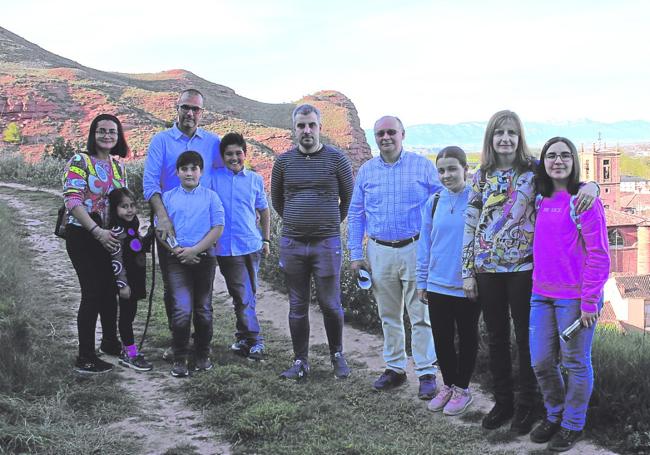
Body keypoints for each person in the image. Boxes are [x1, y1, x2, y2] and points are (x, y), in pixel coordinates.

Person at [462, 110, 599, 434]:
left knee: (527, 340)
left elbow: (567, 176)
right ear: (491, 139)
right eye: (499, 133)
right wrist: (466, 271)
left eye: (511, 132)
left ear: (519, 137)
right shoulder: (481, 175)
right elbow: (470, 224)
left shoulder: (533, 170)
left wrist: (592, 185)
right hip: (487, 268)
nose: (505, 138)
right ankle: (504, 402)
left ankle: (527, 406)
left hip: (525, 269)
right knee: (496, 337)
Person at [348, 115, 440, 400]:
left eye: (391, 132)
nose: (385, 137)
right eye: (380, 134)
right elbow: (356, 213)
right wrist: (355, 253)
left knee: (420, 314)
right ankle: (395, 369)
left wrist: (436, 246)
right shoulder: (366, 171)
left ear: (403, 134)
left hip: (416, 248)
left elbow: (441, 203)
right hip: (379, 251)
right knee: (389, 314)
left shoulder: (422, 166)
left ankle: (426, 372)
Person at [528, 137, 609, 452]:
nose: (557, 161)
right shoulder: (540, 198)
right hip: (540, 294)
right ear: (544, 162)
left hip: (576, 299)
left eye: (564, 155)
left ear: (574, 160)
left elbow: (599, 255)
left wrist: (590, 300)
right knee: (541, 362)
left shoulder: (585, 202)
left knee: (575, 362)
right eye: (551, 156)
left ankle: (573, 424)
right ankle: (555, 414)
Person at [271, 103, 354, 380]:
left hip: (326, 243)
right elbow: (278, 201)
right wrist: (297, 221)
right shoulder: (283, 162)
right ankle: (300, 361)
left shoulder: (337, 159)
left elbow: (348, 198)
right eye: (301, 126)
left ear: (320, 127)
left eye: (311, 125)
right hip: (293, 243)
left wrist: (327, 223)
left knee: (330, 304)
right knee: (297, 305)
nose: (306, 130)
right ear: (294, 129)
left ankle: (337, 356)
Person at [142, 88, 223, 354]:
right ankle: (179, 340)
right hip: (170, 229)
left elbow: (230, 171)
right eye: (185, 107)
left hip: (203, 231)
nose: (190, 113)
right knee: (173, 290)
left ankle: (201, 346)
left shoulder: (212, 143)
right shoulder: (161, 141)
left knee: (202, 295)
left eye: (195, 109)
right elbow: (150, 183)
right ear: (176, 109)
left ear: (202, 113)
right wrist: (162, 218)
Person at [63, 113, 128, 374]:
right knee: (91, 293)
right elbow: (72, 200)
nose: (107, 135)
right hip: (82, 235)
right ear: (93, 134)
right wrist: (96, 231)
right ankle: (86, 357)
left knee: (110, 290)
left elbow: (122, 204)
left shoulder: (118, 167)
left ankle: (111, 342)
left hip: (109, 237)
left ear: (118, 136)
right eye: (101, 131)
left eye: (112, 131)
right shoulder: (80, 161)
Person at [416, 146, 479, 416]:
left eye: (452, 169)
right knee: (441, 339)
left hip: (467, 284)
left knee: (467, 337)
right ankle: (449, 385)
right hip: (437, 283)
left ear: (465, 169)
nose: (446, 175)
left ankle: (463, 389)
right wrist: (422, 281)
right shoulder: (434, 203)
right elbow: (425, 245)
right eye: (441, 170)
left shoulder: (477, 200)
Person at [161, 151, 224, 377]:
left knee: (203, 309)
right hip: (176, 258)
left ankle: (202, 355)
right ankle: (180, 358)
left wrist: (195, 250)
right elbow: (161, 230)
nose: (189, 173)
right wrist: (177, 251)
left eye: (193, 168)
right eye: (184, 169)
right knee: (181, 309)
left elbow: (217, 227)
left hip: (204, 258)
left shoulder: (210, 197)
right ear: (177, 172)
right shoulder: (168, 198)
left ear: (201, 171)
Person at [211, 133, 270, 361]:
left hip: (251, 245)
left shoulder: (254, 179)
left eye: (238, 153)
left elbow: (263, 210)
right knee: (242, 294)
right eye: (229, 154)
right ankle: (256, 341)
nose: (234, 158)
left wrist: (265, 239)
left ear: (245, 153)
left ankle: (242, 337)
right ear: (222, 156)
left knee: (248, 295)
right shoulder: (214, 178)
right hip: (227, 248)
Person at [107, 187, 153, 371]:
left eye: (132, 205)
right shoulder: (117, 231)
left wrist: (150, 234)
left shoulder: (132, 226)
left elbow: (137, 247)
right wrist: (122, 284)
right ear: (115, 209)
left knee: (130, 315)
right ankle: (130, 353)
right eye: (124, 206)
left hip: (135, 279)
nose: (130, 210)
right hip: (126, 282)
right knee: (126, 318)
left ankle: (129, 349)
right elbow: (116, 260)